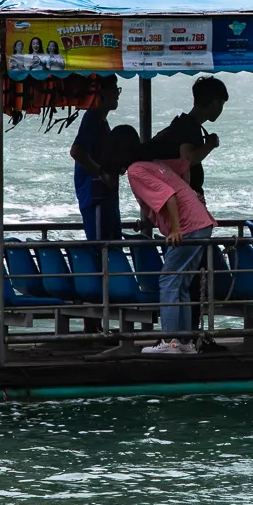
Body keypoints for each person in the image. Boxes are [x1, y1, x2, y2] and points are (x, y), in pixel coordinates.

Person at [115, 127, 216, 355]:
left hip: (190, 226)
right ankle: (184, 343)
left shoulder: (135, 171)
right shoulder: (154, 164)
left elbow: (168, 195)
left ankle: (170, 342)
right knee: (179, 284)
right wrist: (191, 194)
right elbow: (184, 166)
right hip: (201, 223)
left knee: (168, 281)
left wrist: (176, 229)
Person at [145, 75, 227, 198]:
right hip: (181, 199)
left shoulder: (185, 124)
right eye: (221, 104)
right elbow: (188, 160)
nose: (221, 109)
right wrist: (210, 145)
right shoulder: (189, 126)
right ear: (213, 103)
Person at [69, 77, 123, 242]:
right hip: (95, 195)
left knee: (112, 244)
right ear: (102, 93)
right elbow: (76, 151)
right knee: (102, 248)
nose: (118, 95)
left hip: (104, 195)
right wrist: (101, 173)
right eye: (115, 90)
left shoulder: (101, 121)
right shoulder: (92, 117)